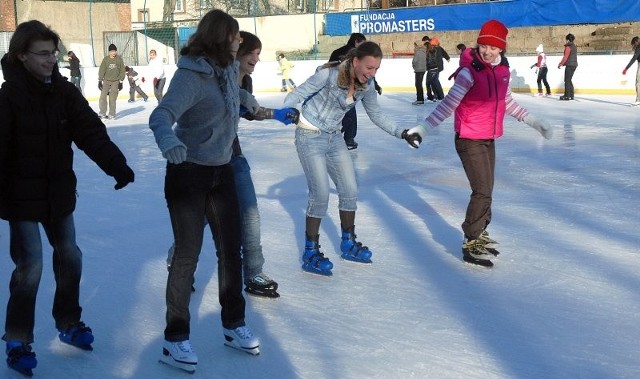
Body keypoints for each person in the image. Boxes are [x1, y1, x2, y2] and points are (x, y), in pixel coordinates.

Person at [0, 20, 135, 377]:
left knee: (70, 257)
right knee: (31, 267)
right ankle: (17, 339)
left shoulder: (63, 92)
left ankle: (68, 322)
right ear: (22, 56)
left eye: (53, 52)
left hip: (58, 194)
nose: (51, 59)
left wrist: (116, 166)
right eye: (43, 54)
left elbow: (90, 131)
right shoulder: (8, 97)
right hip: (21, 198)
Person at [149, 9, 262, 373]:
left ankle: (233, 326)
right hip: (188, 173)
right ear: (219, 37)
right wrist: (169, 141)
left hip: (222, 169)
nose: (239, 42)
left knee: (231, 251)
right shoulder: (190, 76)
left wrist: (252, 106)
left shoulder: (228, 69)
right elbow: (161, 116)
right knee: (187, 255)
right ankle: (175, 339)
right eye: (235, 37)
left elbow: (232, 99)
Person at [403, 19, 553, 268]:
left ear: (501, 49)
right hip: (468, 138)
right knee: (482, 190)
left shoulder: (503, 71)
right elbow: (448, 104)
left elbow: (508, 104)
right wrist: (424, 128)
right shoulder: (468, 72)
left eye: (493, 48)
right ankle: (470, 241)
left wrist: (534, 122)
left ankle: (479, 232)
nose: (487, 51)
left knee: (487, 189)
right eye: (483, 45)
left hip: (488, 137)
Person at [164, 31, 299, 299]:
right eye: (253, 53)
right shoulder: (211, 78)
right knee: (201, 219)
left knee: (250, 213)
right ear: (237, 53)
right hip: (200, 158)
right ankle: (177, 262)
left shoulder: (244, 82)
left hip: (231, 156)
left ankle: (254, 273)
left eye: (259, 54)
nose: (257, 59)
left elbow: (249, 111)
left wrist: (276, 115)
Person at [283, 41, 419, 276]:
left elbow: (376, 114)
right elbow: (297, 94)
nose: (372, 73)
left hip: (335, 137)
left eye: (376, 69)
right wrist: (288, 112)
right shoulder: (328, 75)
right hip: (309, 135)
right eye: (369, 68)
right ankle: (310, 251)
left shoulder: (367, 86)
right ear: (356, 62)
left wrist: (402, 132)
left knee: (349, 190)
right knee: (321, 195)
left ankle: (348, 243)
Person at [329, 32, 382, 150]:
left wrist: (375, 85)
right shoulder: (354, 55)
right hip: (347, 89)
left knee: (342, 114)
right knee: (350, 115)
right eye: (362, 44)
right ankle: (347, 139)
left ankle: (340, 137)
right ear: (356, 41)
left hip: (337, 90)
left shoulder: (337, 52)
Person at [98, 43, 125, 118]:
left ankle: (112, 114)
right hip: (106, 81)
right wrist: (100, 80)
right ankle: (102, 113)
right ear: (109, 52)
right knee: (102, 97)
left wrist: (121, 81)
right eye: (112, 51)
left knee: (112, 98)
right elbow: (102, 70)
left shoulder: (119, 59)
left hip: (115, 81)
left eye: (115, 51)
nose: (114, 53)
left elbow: (122, 70)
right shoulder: (106, 59)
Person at [558, 33, 578, 101]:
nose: (566, 41)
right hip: (574, 65)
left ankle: (567, 96)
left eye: (566, 39)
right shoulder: (574, 46)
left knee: (566, 80)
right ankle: (571, 95)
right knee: (569, 80)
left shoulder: (568, 47)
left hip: (569, 65)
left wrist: (561, 63)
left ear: (568, 40)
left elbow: (566, 57)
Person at [622, 36, 640, 106]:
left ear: (636, 42)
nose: (633, 45)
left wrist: (626, 68)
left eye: (633, 44)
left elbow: (633, 59)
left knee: (638, 83)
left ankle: (638, 100)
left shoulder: (638, 49)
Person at [411, 41, 427, 105]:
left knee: (418, 84)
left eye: (415, 45)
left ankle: (419, 99)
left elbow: (414, 61)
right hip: (423, 70)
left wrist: (414, 67)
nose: (414, 47)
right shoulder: (424, 51)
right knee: (419, 84)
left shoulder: (417, 52)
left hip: (418, 70)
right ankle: (421, 99)